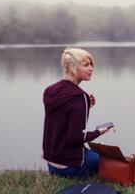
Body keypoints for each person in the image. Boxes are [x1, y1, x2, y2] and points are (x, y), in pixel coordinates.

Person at [42, 47, 112, 178]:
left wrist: (86, 107)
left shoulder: (50, 91)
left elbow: (61, 118)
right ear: (72, 67)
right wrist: (98, 132)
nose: (91, 69)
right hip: (71, 166)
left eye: (91, 65)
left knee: (91, 153)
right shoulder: (79, 97)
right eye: (86, 65)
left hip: (52, 164)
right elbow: (75, 139)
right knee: (109, 159)